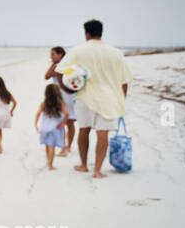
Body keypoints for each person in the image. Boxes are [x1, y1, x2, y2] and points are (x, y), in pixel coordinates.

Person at [55, 19, 133, 178]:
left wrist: (66, 89)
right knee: (102, 133)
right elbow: (124, 81)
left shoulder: (78, 50)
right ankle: (97, 170)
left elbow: (60, 69)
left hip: (85, 97)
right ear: (101, 32)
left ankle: (84, 165)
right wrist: (121, 100)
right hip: (109, 99)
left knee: (84, 130)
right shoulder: (116, 53)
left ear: (87, 34)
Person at [44, 46, 78, 156]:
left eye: (53, 54)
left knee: (63, 122)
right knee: (69, 122)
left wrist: (53, 65)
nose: (51, 56)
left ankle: (64, 147)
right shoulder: (70, 65)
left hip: (62, 96)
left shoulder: (57, 66)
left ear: (60, 54)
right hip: (69, 95)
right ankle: (68, 146)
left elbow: (46, 76)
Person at [34, 84, 69, 170]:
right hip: (54, 128)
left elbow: (38, 113)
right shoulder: (60, 103)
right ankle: (50, 164)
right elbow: (67, 113)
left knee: (47, 145)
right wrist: (63, 123)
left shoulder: (44, 103)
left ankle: (48, 161)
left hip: (44, 128)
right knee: (51, 146)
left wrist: (36, 124)